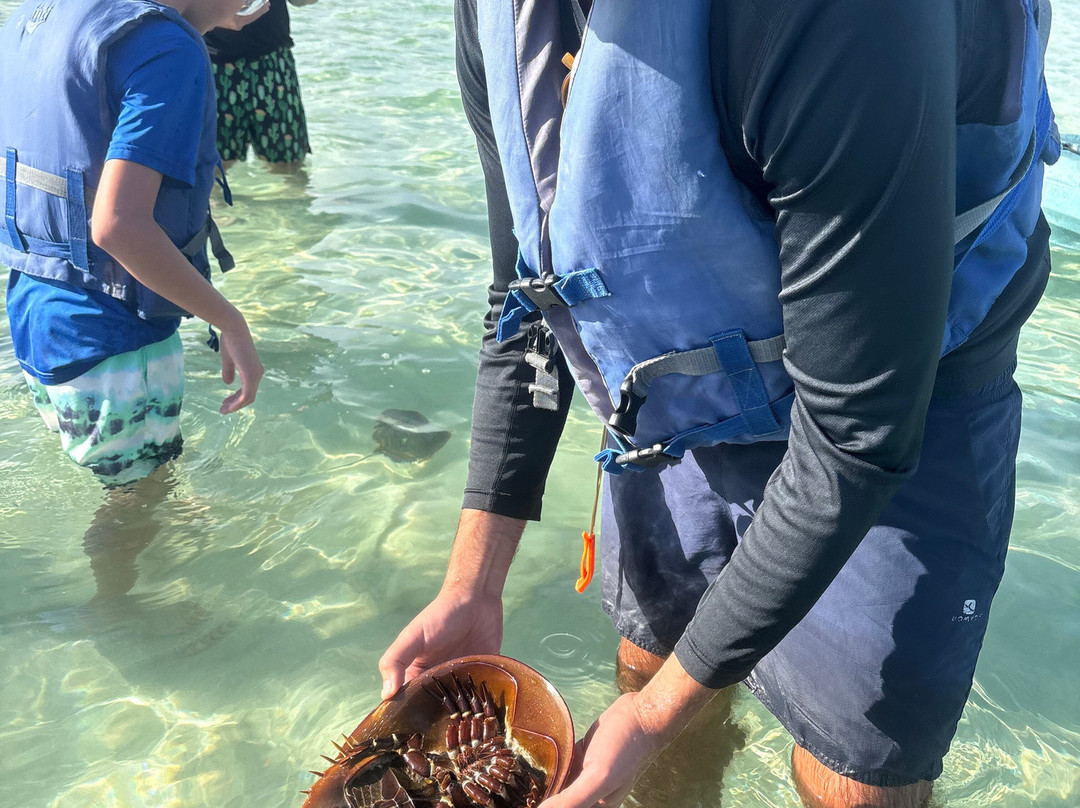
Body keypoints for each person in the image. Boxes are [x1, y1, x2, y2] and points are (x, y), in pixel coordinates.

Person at [379, 1, 1061, 807]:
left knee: (853, 775)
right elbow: (526, 299)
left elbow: (855, 434)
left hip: (903, 383)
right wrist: (472, 584)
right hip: (681, 372)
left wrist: (660, 715)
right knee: (647, 664)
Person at [0, 0, 265, 595]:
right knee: (134, 501)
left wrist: (199, 19)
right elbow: (117, 225)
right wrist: (230, 319)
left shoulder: (35, 18)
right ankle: (119, 615)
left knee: (134, 480)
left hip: (38, 315)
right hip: (115, 334)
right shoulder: (165, 49)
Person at [204, 0, 316, 173]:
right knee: (213, 168)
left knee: (289, 165)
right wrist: (215, 18)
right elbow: (167, 8)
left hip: (272, 62)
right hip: (212, 66)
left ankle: (290, 201)